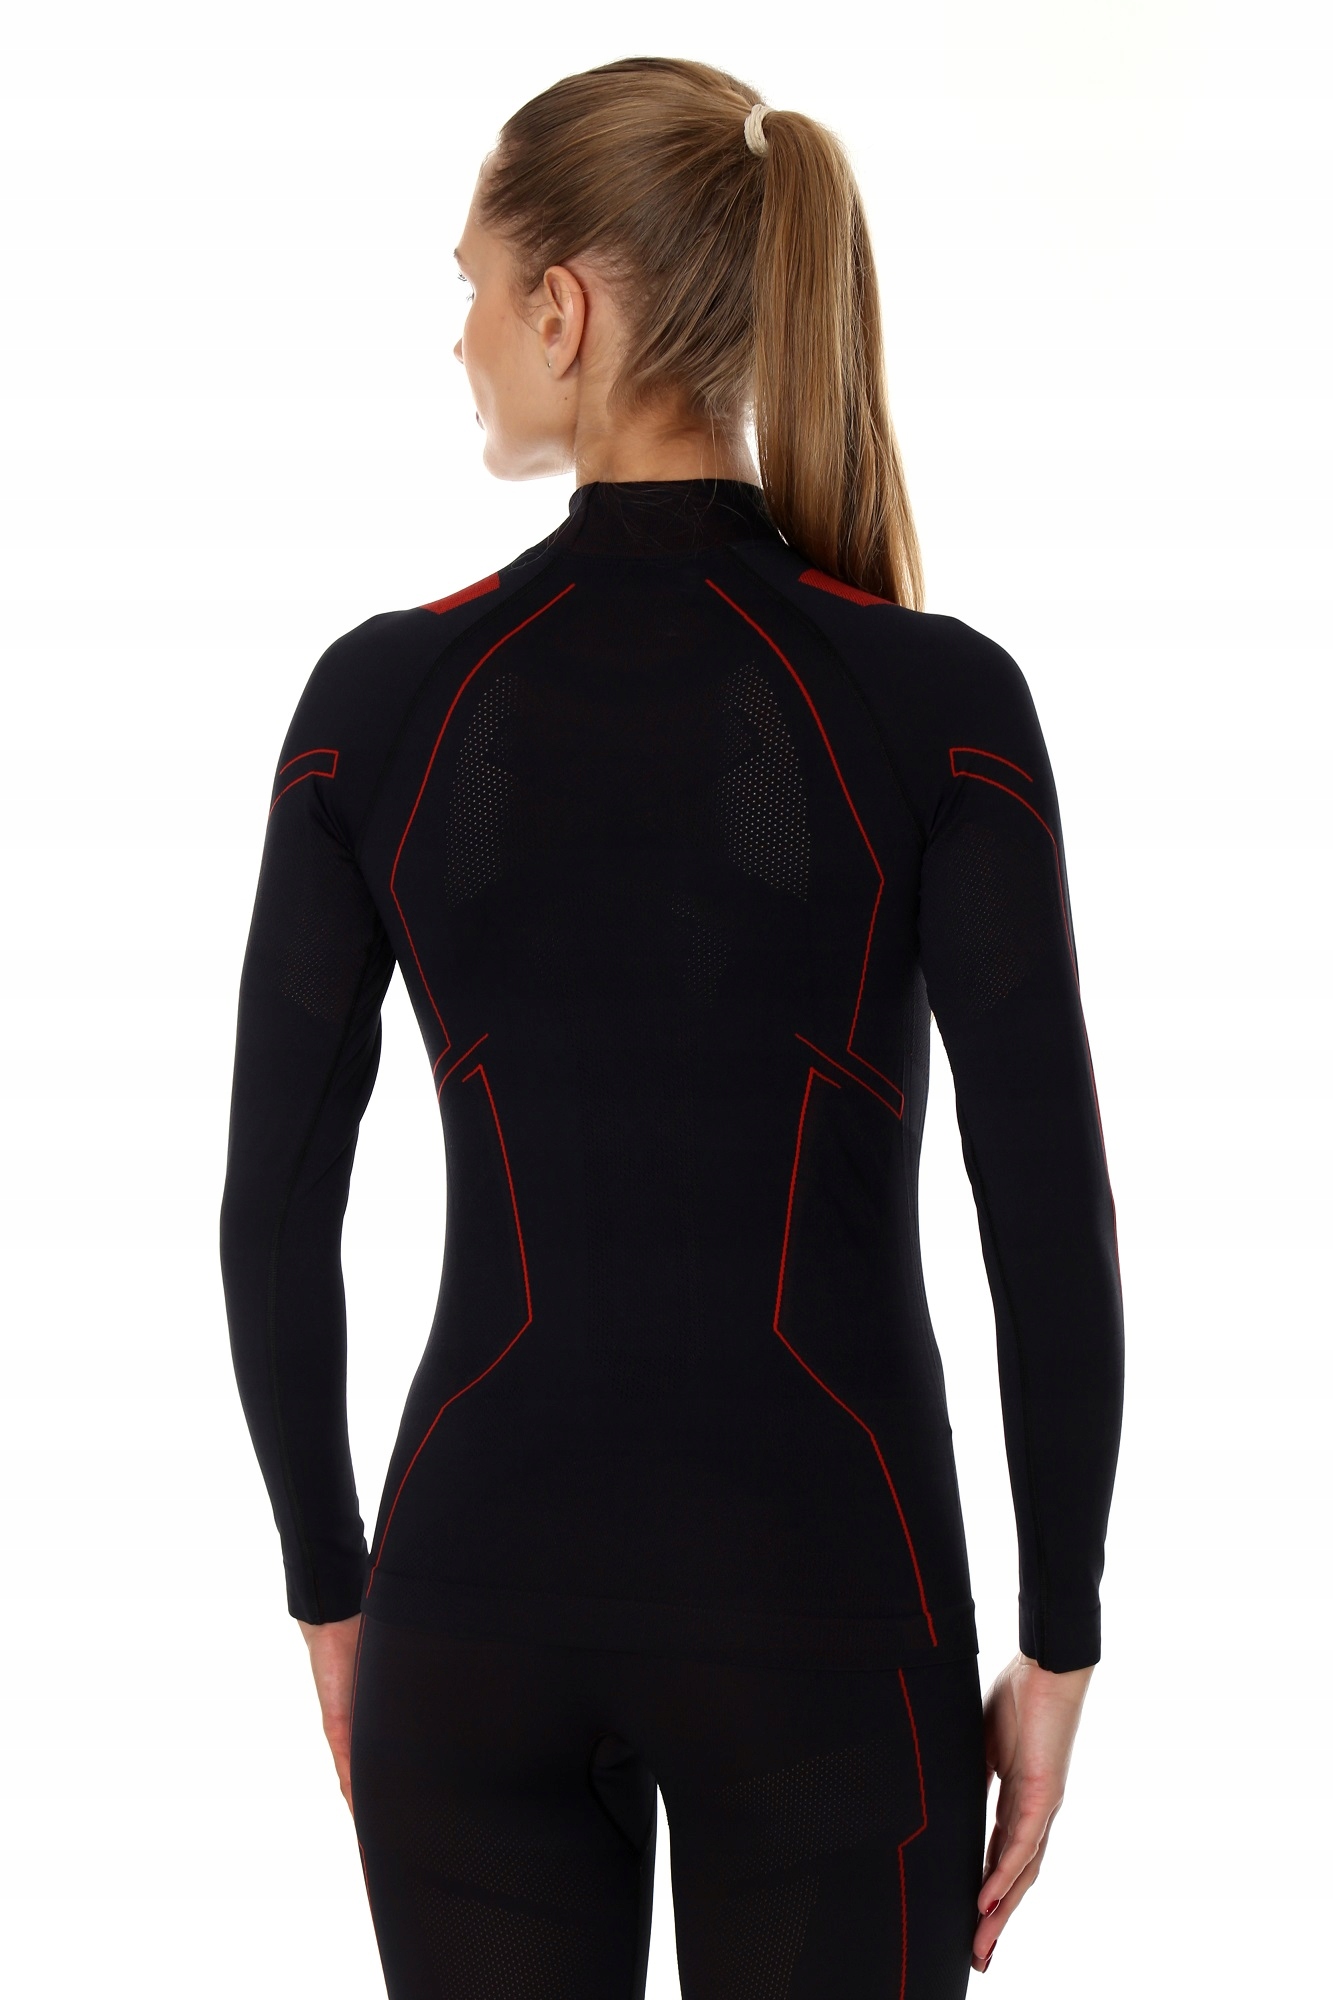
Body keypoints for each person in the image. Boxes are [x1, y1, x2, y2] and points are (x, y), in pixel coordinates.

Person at [219, 56, 1123, 1999]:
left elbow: (272, 1210)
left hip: (469, 1594)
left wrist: (332, 1590)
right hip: (830, 1595)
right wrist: (1057, 1638)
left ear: (563, 308)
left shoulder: (378, 704)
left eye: (473, 286)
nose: (460, 336)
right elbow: (1044, 1211)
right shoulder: (934, 698)